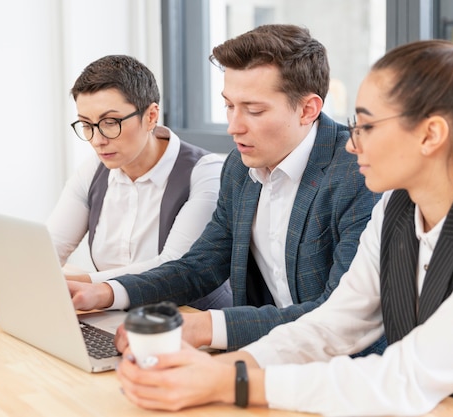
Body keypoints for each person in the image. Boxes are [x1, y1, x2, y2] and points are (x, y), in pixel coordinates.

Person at [114, 39, 453, 417]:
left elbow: (407, 376)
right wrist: (228, 368)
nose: (350, 141)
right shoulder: (397, 208)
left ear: (431, 134)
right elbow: (335, 324)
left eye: (367, 126)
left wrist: (234, 385)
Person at [68, 24, 383, 354]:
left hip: (348, 370)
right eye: (229, 106)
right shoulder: (239, 167)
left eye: (254, 110)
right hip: (269, 354)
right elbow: (200, 266)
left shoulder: (359, 174)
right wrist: (105, 292)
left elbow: (338, 313)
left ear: (308, 109)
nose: (234, 126)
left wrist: (206, 326)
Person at [48, 54, 232, 310]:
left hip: (193, 323)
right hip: (117, 317)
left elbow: (173, 266)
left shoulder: (205, 172)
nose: (97, 140)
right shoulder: (93, 171)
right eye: (87, 125)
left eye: (110, 122)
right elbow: (50, 248)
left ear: (151, 115)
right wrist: (23, 273)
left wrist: (80, 284)